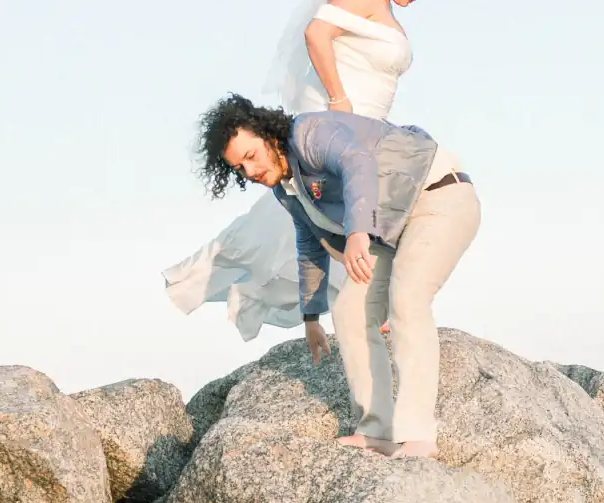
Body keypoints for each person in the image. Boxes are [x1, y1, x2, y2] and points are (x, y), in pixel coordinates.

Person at [164, 0, 443, 336]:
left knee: (345, 205)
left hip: (368, 114)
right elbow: (316, 33)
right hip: (344, 113)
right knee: (346, 203)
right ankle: (373, 305)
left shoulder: (378, 2)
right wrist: (339, 97)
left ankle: (370, 302)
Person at [195, 92, 479, 459]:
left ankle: (418, 435)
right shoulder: (287, 189)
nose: (249, 172)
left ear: (267, 135)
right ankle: (376, 429)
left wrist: (358, 230)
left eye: (250, 156)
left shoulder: (309, 133)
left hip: (440, 195)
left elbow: (356, 161)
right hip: (391, 227)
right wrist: (311, 317)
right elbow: (310, 244)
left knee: (407, 298)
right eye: (239, 169)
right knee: (348, 311)